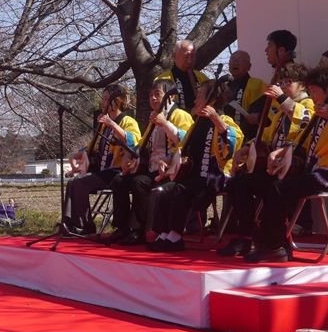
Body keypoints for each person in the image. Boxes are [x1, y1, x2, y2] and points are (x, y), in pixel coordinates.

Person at [242, 58, 328, 263]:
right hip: (316, 170)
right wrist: (281, 152)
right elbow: (300, 142)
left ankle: (274, 245)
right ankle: (269, 241)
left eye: (315, 91)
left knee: (278, 189)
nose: (313, 96)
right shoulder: (319, 111)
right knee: (268, 186)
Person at [148, 79, 243, 252]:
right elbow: (183, 146)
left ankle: (176, 237)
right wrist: (168, 161)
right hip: (194, 176)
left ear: (212, 100)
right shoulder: (198, 122)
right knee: (165, 189)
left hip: (214, 176)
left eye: (199, 96)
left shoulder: (224, 119)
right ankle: (163, 234)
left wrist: (215, 118)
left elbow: (231, 143)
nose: (195, 100)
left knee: (180, 189)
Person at [105, 80, 193, 245]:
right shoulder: (155, 116)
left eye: (157, 94)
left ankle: (138, 231)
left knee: (140, 182)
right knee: (119, 181)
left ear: (171, 96)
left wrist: (165, 124)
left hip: (171, 170)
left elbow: (187, 141)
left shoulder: (180, 115)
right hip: (152, 168)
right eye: (151, 95)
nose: (152, 98)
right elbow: (142, 144)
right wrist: (129, 156)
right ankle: (122, 228)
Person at [62, 85, 141, 235]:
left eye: (106, 99)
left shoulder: (128, 121)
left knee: (79, 182)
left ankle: (83, 226)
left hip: (117, 170)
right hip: (104, 170)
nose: (103, 103)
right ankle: (71, 223)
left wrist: (112, 124)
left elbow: (133, 142)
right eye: (103, 99)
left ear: (117, 101)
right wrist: (75, 155)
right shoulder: (104, 125)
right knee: (73, 181)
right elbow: (91, 146)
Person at [155, 40, 209, 111]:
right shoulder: (162, 80)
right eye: (186, 56)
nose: (189, 61)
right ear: (174, 56)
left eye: (192, 56)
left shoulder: (202, 78)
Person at [225, 50, 266, 141]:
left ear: (249, 66)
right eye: (232, 60)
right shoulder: (224, 87)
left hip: (248, 138)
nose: (235, 63)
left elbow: (259, 112)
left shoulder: (257, 84)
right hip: (227, 137)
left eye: (239, 60)